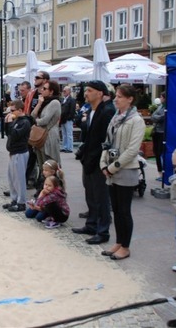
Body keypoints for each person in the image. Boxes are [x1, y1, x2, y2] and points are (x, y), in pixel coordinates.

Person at [100, 84, 145, 260]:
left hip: (126, 170)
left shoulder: (136, 120)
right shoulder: (116, 117)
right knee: (116, 210)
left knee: (124, 211)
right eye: (116, 96)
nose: (115, 99)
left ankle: (125, 246)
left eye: (119, 96)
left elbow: (132, 150)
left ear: (129, 99)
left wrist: (112, 167)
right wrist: (104, 163)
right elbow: (107, 143)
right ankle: (118, 242)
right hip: (112, 170)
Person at [72, 81, 114, 245]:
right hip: (89, 159)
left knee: (101, 197)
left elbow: (107, 140)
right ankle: (91, 224)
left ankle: (103, 231)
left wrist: (103, 161)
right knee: (91, 194)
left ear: (100, 93)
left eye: (89, 90)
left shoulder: (107, 111)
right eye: (86, 90)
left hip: (99, 161)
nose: (86, 93)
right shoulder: (92, 110)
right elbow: (89, 135)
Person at [1, 99, 31, 212]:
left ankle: (21, 202)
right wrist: (6, 123)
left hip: (20, 152)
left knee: (19, 178)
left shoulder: (25, 122)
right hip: (13, 152)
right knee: (12, 177)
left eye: (13, 110)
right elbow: (8, 134)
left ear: (19, 110)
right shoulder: (17, 120)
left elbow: (15, 135)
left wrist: (9, 123)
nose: (11, 113)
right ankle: (14, 199)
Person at [30, 79, 62, 170]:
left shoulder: (55, 103)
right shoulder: (45, 102)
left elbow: (45, 120)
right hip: (41, 136)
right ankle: (45, 183)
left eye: (44, 88)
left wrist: (36, 121)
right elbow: (33, 115)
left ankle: (53, 183)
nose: (41, 90)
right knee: (42, 166)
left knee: (49, 165)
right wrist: (39, 103)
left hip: (49, 136)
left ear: (51, 92)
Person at [151, 93, 166, 180]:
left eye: (161, 97)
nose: (160, 98)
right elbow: (153, 116)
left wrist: (155, 117)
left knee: (160, 152)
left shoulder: (167, 107)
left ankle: (163, 172)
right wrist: (155, 117)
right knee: (156, 151)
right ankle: (159, 172)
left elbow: (161, 117)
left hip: (162, 132)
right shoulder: (160, 106)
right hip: (156, 131)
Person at [60, 86, 76, 153]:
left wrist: (69, 118)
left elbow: (72, 110)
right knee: (64, 134)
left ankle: (69, 148)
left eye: (65, 91)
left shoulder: (71, 100)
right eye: (63, 91)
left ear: (69, 91)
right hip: (63, 119)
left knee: (69, 134)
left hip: (68, 119)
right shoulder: (63, 99)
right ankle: (65, 146)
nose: (64, 92)